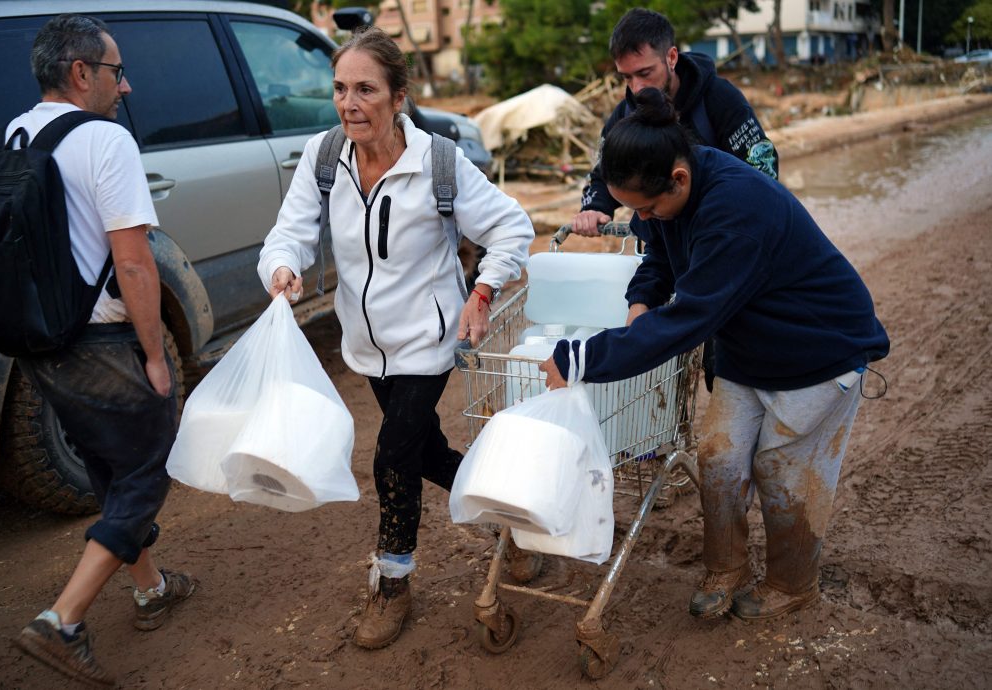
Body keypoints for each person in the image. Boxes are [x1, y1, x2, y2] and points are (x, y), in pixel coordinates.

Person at [541, 89, 889, 622]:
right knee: (719, 455)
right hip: (748, 347)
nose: (645, 218)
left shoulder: (735, 209)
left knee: (781, 469)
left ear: (679, 178)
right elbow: (659, 253)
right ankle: (725, 567)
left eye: (649, 207)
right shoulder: (666, 194)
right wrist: (640, 303)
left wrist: (581, 356)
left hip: (817, 349)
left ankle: (792, 583)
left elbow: (690, 319)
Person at [257, 27, 533, 650]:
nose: (349, 103)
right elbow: (289, 233)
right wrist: (282, 267)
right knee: (425, 450)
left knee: (392, 458)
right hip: (366, 344)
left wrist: (481, 291)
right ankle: (511, 525)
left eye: (365, 90)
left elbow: (511, 227)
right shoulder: (323, 156)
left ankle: (393, 584)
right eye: (340, 89)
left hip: (429, 341)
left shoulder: (438, 162)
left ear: (398, 96)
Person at [7, 15, 196, 685]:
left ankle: (150, 588)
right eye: (117, 72)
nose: (127, 84)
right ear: (83, 73)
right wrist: (154, 355)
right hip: (102, 338)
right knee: (147, 466)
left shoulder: (17, 133)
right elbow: (134, 261)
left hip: (39, 338)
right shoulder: (104, 141)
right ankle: (62, 620)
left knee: (107, 465)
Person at [571, 8, 778, 237]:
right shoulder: (626, 113)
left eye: (645, 72)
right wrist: (594, 207)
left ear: (671, 57)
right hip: (661, 242)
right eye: (626, 77)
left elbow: (761, 170)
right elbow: (604, 172)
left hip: (722, 230)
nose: (637, 87)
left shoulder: (719, 99)